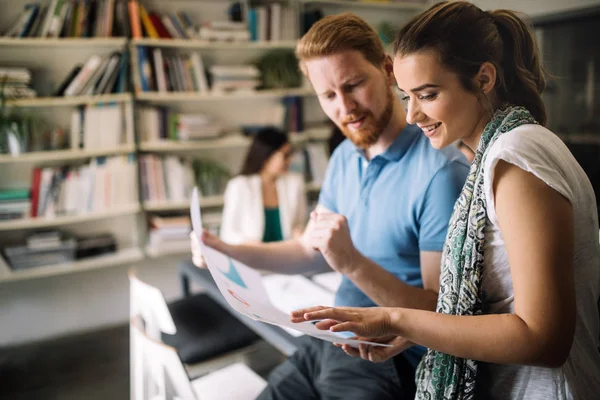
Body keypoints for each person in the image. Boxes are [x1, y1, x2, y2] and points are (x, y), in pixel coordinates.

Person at [292, 2, 600, 399]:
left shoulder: (517, 158)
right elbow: (494, 305)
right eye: (407, 97)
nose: (412, 115)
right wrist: (407, 331)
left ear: (484, 78)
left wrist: (397, 318)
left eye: (428, 94)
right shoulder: (490, 155)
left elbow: (543, 339)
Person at [191, 12, 469, 399]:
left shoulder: (441, 172)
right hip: (329, 340)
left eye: (354, 85)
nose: (345, 108)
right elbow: (311, 250)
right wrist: (227, 251)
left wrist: (351, 262)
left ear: (387, 70)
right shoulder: (344, 158)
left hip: (388, 358)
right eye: (328, 96)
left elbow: (438, 312)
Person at [217, 127, 307, 245]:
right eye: (285, 155)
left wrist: (300, 233)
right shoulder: (239, 186)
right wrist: (247, 243)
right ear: (266, 157)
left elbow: (300, 222)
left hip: (287, 256)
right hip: (252, 257)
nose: (289, 160)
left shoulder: (295, 184)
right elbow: (227, 233)